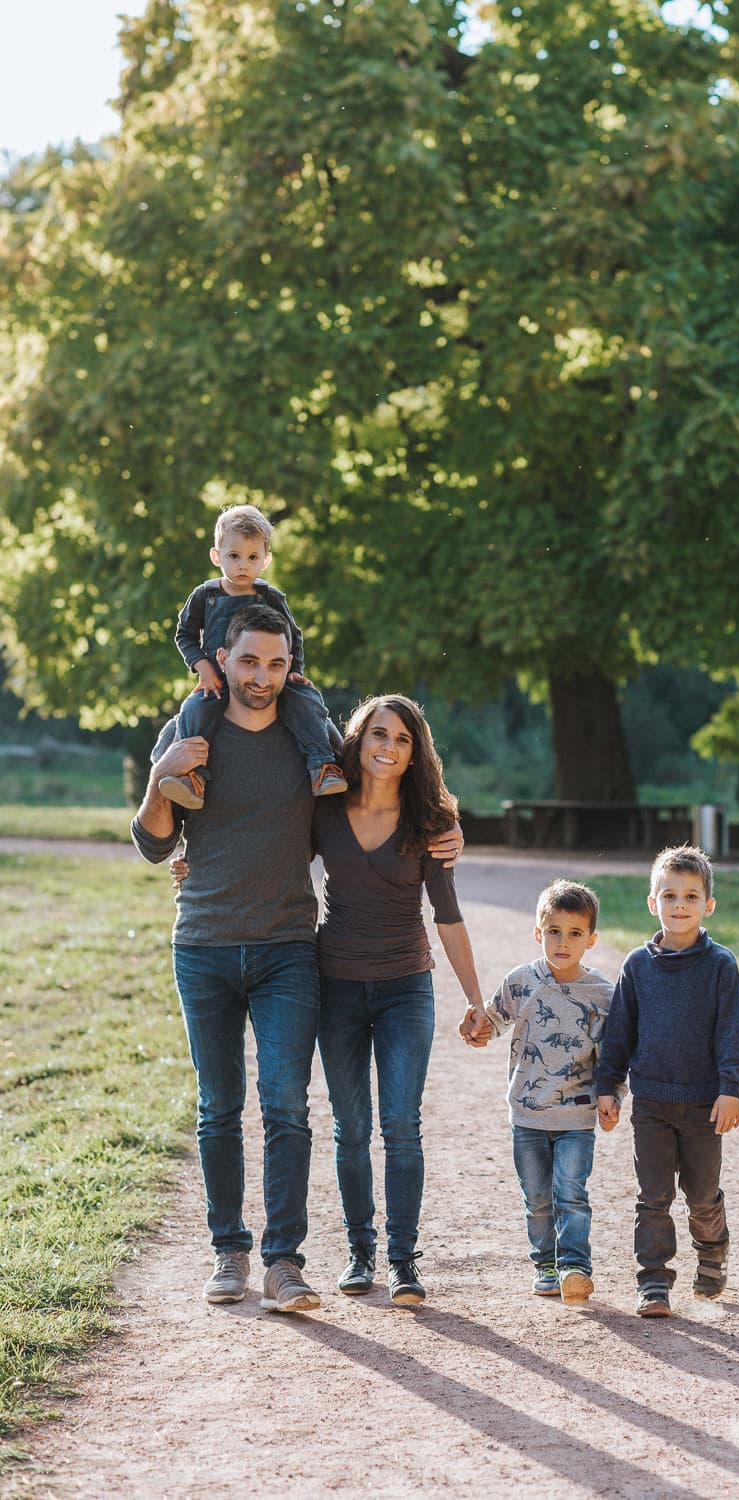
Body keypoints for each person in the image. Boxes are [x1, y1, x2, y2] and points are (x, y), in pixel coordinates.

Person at [134, 605, 464, 1313]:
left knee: (286, 1107)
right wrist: (160, 774)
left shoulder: (306, 738)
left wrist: (444, 832)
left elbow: (382, 790)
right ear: (221, 657)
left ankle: (285, 1262)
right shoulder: (190, 728)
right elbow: (155, 842)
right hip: (203, 947)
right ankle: (230, 1251)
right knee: (219, 1107)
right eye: (248, 661)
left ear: (292, 664)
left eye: (276, 663)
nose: (262, 676)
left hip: (289, 948)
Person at [313, 694, 488, 1308]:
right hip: (334, 985)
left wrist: (475, 999)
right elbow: (264, 855)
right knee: (350, 1127)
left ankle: (402, 1261)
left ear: (416, 754)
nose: (388, 747)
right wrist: (193, 861)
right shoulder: (325, 807)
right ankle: (359, 1252)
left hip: (405, 989)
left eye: (402, 739)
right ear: (358, 740)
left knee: (400, 1126)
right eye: (377, 735)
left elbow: (448, 916)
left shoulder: (430, 824)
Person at [595, 844, 739, 1318]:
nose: (679, 905)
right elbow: (620, 1030)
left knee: (701, 1195)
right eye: (669, 896)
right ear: (652, 902)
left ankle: (712, 1251)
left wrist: (731, 1087)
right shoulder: (638, 966)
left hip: (704, 1103)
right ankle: (654, 1281)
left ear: (708, 906)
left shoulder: (721, 965)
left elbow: (730, 1030)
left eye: (691, 896)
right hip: (653, 1102)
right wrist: (608, 1084)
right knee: (653, 1196)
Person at [476, 879, 621, 1306]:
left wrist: (613, 1095)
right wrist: (477, 1030)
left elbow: (612, 1056)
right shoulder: (521, 982)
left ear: (591, 940)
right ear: (538, 932)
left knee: (571, 1192)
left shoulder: (602, 995)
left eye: (575, 933)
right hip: (527, 1113)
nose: (563, 942)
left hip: (577, 1116)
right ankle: (545, 1262)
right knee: (538, 1197)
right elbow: (492, 1021)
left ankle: (575, 1266)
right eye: (554, 931)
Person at [159, 502, 346, 811]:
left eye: (252, 558)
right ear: (216, 556)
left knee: (307, 700)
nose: (242, 565)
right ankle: (192, 777)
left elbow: (293, 636)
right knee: (193, 709)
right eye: (233, 556)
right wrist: (201, 665)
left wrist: (293, 670)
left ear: (266, 561)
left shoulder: (270, 596)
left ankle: (322, 766)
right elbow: (184, 635)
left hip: (269, 676)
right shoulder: (206, 596)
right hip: (218, 680)